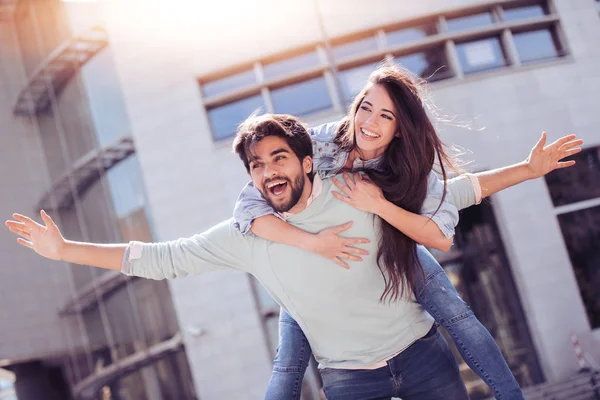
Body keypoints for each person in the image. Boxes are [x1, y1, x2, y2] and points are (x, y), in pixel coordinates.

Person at [7, 114, 488, 399]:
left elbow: (446, 195)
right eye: (256, 165)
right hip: (348, 379)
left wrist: (529, 170)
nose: (267, 171)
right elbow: (160, 258)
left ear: (305, 162)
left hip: (424, 356)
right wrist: (67, 249)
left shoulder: (355, 191)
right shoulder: (248, 235)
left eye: (279, 158)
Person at [231, 65, 583, 400]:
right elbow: (247, 209)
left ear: (399, 128)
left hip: (389, 247)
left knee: (458, 318)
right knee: (288, 363)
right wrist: (315, 244)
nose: (369, 123)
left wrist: (379, 204)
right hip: (315, 265)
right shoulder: (319, 144)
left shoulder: (409, 167)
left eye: (386, 116)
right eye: (365, 108)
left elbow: (444, 227)